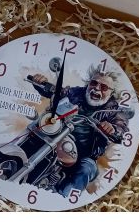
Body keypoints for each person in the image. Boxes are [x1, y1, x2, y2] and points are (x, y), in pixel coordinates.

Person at [30, 64, 129, 196]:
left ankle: (62, 198)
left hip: (83, 155)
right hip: (55, 140)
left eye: (104, 87)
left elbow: (121, 127)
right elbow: (57, 92)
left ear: (112, 92)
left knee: (87, 168)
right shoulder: (75, 93)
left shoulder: (113, 110)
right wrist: (40, 83)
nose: (97, 88)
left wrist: (113, 129)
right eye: (94, 83)